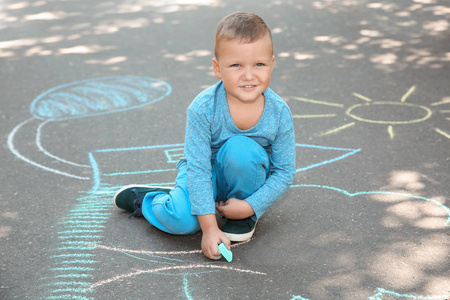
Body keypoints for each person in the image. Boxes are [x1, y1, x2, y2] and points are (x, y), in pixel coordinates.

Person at [114, 12, 296, 260]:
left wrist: (250, 206)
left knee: (241, 149)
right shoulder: (202, 108)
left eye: (259, 64)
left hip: (244, 178)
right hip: (203, 174)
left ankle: (243, 217)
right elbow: (198, 169)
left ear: (271, 64)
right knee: (182, 222)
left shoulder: (279, 113)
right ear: (217, 68)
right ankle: (150, 199)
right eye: (236, 65)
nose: (249, 75)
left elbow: (284, 172)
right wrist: (209, 228)